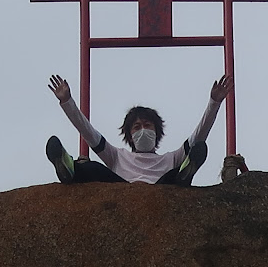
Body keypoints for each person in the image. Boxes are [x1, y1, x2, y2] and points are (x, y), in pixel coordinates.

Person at [46, 74, 233, 186]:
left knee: (176, 172)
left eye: (147, 125)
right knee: (91, 167)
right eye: (136, 127)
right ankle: (68, 166)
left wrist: (214, 102)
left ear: (157, 131)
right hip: (124, 189)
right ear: (130, 135)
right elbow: (88, 132)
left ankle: (186, 172)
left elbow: (198, 136)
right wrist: (67, 102)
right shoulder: (117, 156)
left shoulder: (170, 158)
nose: (143, 130)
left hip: (161, 189)